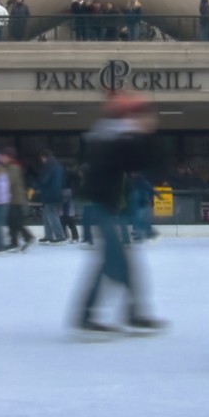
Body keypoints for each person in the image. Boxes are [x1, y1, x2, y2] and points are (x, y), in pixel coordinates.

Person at [73, 93, 166, 336]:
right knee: (116, 263)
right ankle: (120, 313)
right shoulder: (112, 136)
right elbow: (141, 160)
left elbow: (140, 162)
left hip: (105, 206)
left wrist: (143, 134)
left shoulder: (112, 134)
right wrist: (145, 133)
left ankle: (114, 313)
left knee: (114, 262)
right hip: (101, 206)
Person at [4, 150, 35, 251]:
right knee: (14, 221)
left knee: (14, 221)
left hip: (15, 199)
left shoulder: (12, 167)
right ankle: (20, 239)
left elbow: (9, 182)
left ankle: (21, 239)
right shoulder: (12, 167)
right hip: (15, 199)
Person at [37, 151, 67, 243]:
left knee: (51, 214)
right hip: (57, 192)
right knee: (46, 215)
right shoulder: (58, 165)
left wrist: (35, 186)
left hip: (51, 193)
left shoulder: (49, 165)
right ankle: (48, 235)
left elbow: (44, 179)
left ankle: (60, 236)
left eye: (42, 158)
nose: (42, 161)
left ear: (44, 157)